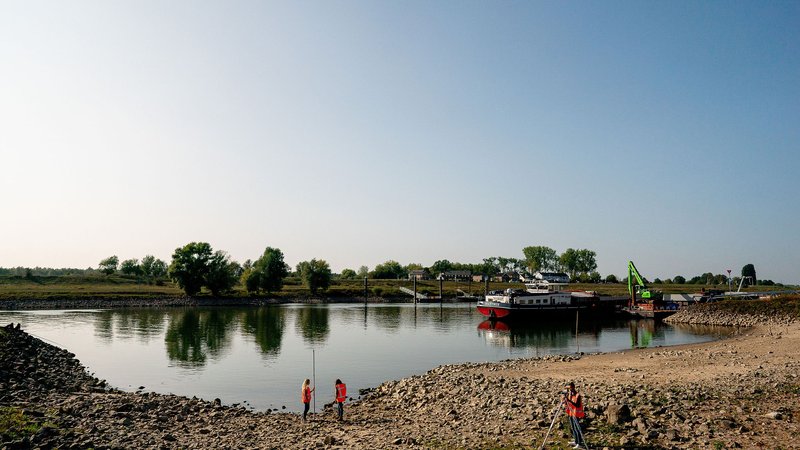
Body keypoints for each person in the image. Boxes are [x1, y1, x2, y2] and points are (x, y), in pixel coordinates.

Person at [564, 382, 585, 449]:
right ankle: (576, 441)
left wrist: (569, 401)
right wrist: (566, 399)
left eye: (570, 388)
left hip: (576, 414)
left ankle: (579, 443)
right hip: (571, 413)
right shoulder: (570, 395)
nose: (569, 390)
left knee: (577, 428)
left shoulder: (577, 395)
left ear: (573, 387)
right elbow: (567, 404)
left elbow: (577, 405)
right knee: (573, 428)